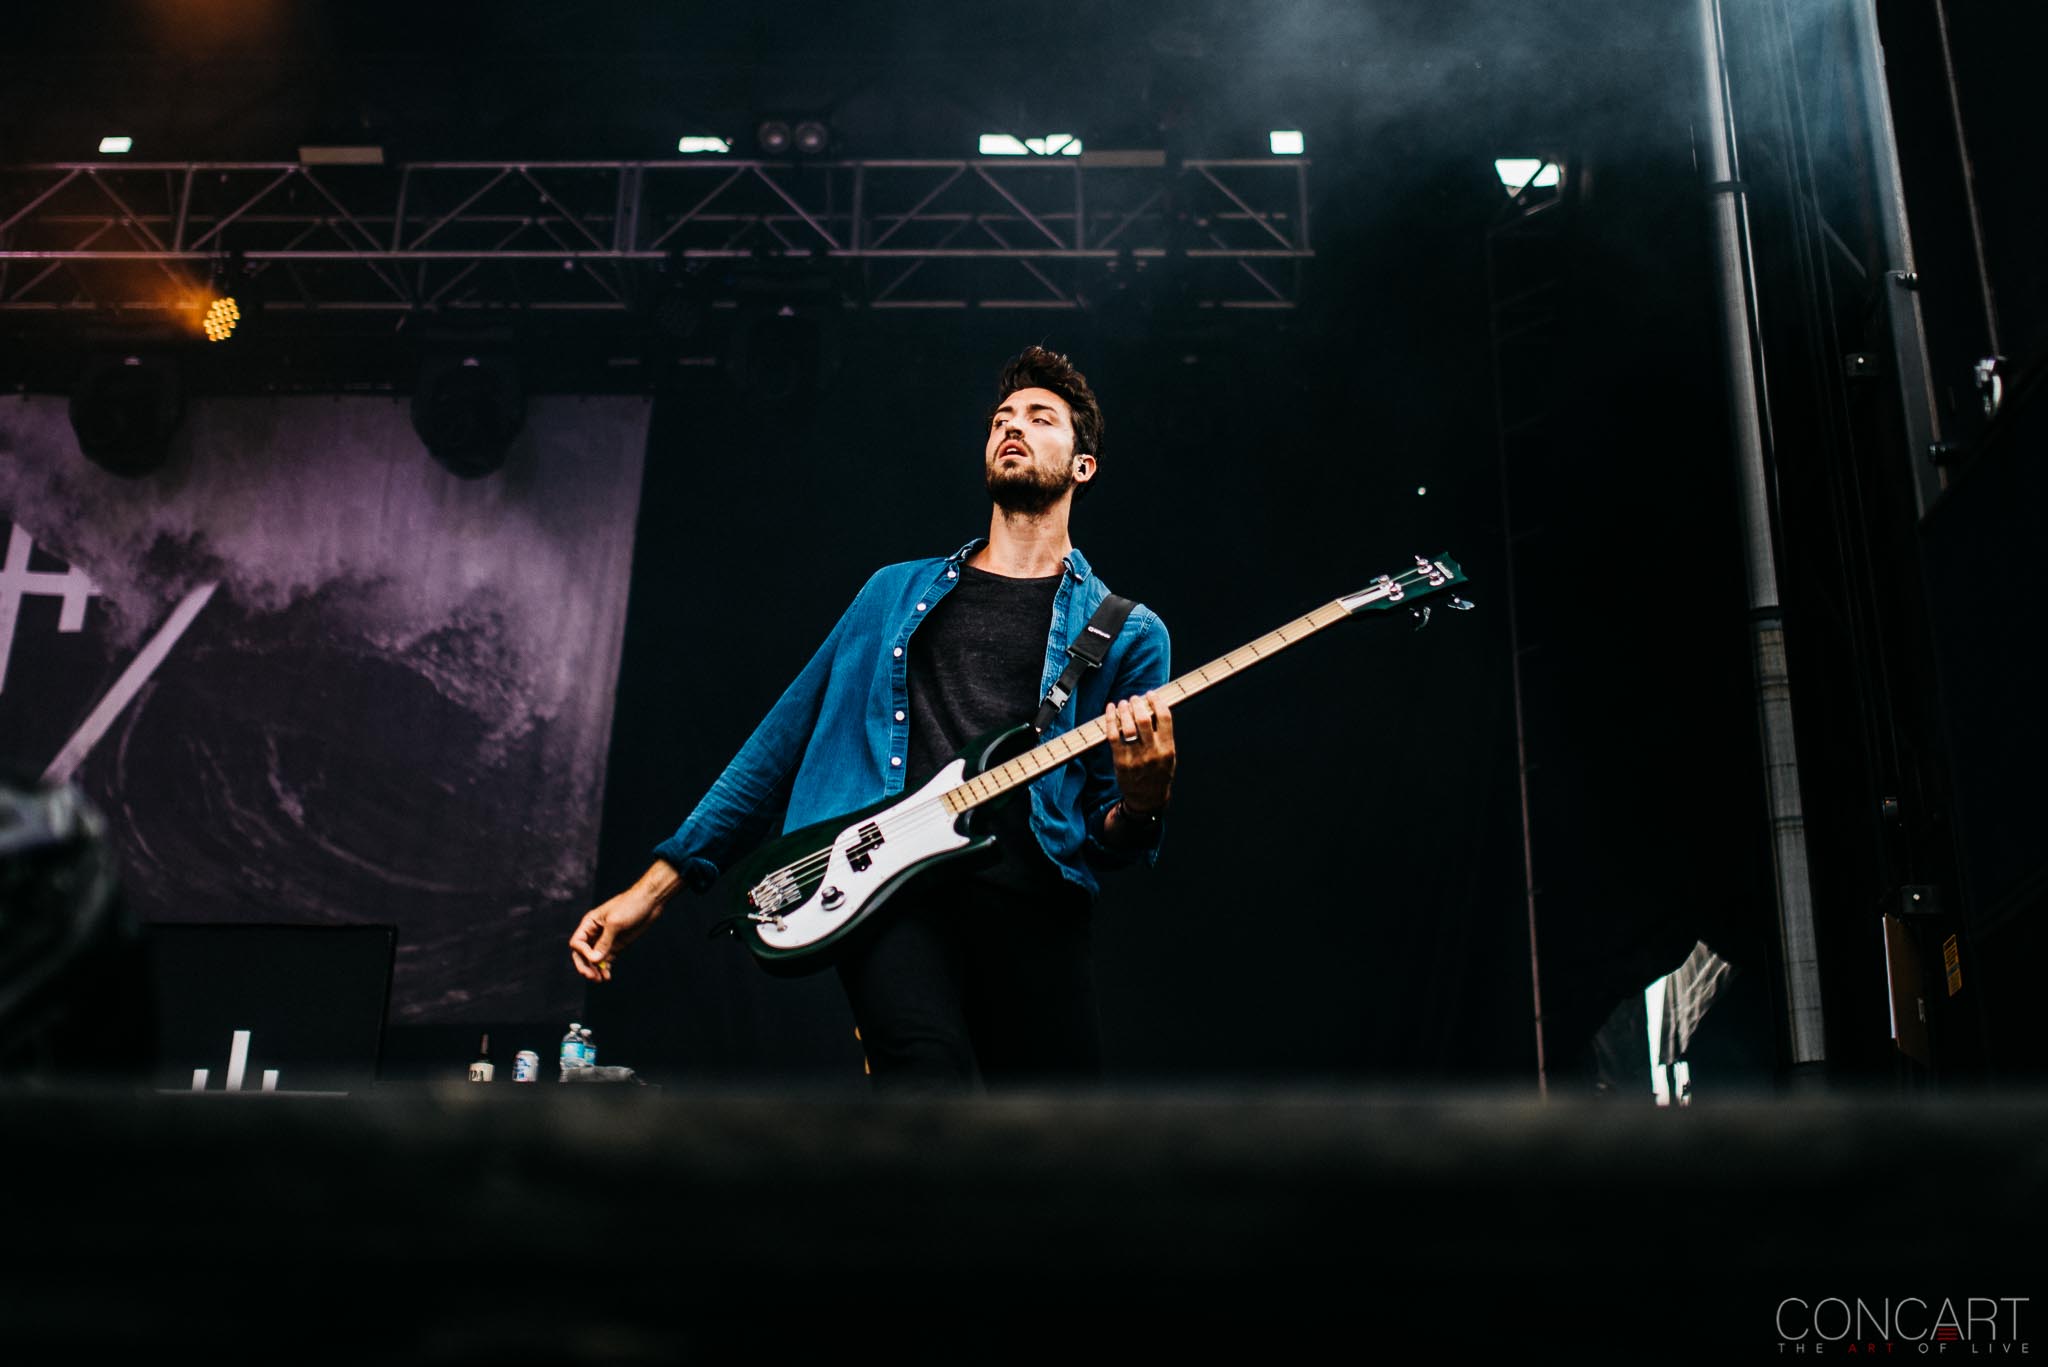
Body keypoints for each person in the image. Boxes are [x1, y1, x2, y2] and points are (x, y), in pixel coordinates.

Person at [568, 346, 1175, 1090]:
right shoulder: (891, 594)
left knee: (1057, 1143)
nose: (1012, 427)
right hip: (890, 893)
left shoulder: (1129, 631)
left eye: (1039, 417)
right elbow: (775, 746)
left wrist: (1144, 803)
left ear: (1083, 464)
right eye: (1000, 419)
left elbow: (1113, 834)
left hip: (1036, 902)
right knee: (923, 1084)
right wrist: (650, 891)